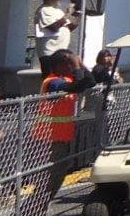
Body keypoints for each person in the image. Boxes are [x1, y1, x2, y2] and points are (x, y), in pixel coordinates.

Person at [35, 50, 96, 201]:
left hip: (61, 135)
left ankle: (38, 212)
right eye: (69, 63)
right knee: (49, 178)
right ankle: (33, 212)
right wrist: (77, 66)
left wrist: (81, 65)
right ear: (60, 65)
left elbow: (90, 82)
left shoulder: (67, 79)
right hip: (48, 138)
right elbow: (77, 87)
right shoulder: (52, 82)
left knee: (58, 175)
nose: (71, 67)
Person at [34, 0, 81, 75]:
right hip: (50, 53)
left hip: (61, 53)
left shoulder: (58, 11)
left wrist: (79, 15)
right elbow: (54, 27)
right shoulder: (43, 10)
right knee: (52, 78)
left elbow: (68, 28)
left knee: (62, 78)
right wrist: (67, 14)